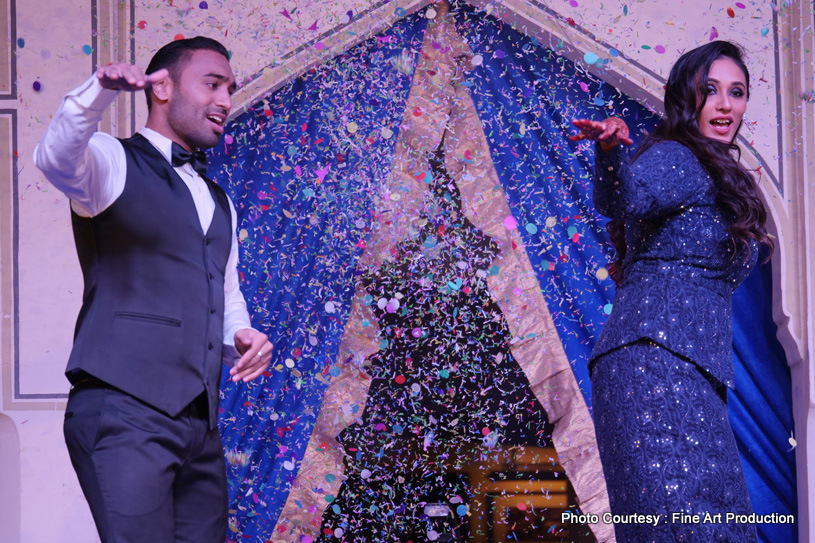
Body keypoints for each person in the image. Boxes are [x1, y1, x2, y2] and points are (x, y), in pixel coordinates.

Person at [34, 36, 272, 542]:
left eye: (230, 88)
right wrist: (96, 92)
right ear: (162, 87)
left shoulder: (220, 199)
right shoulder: (110, 161)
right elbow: (54, 158)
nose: (226, 100)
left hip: (199, 428)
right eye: (212, 84)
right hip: (124, 412)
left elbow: (224, 296)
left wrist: (243, 339)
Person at [571, 40, 772, 542]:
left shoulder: (715, 172)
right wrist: (611, 151)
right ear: (688, 98)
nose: (725, 105)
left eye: (737, 92)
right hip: (652, 366)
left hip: (691, 373)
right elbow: (627, 197)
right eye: (710, 91)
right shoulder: (680, 157)